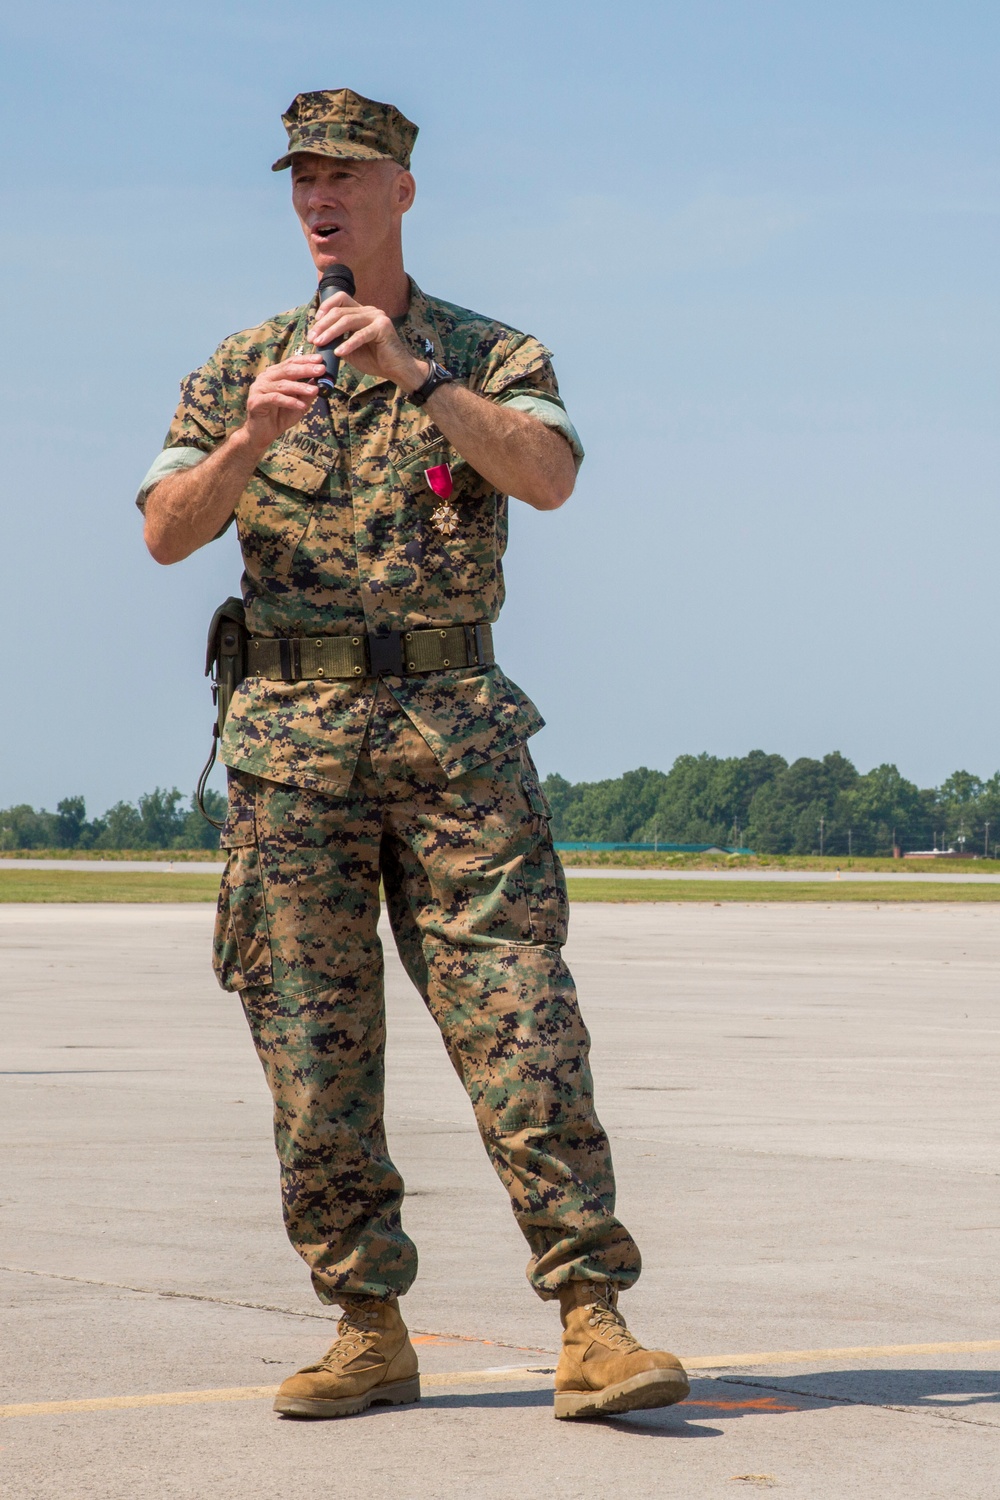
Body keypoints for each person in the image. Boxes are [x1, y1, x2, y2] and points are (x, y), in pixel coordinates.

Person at [139, 87, 689, 1423]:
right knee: (315, 1064)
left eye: (347, 173)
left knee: (526, 1036)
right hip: (291, 758)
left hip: (458, 750)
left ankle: (592, 1322)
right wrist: (251, 439)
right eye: (302, 178)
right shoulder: (238, 366)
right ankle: (368, 1327)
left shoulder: (488, 352)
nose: (319, 196)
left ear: (402, 193)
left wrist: (417, 376)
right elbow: (164, 529)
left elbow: (549, 478)